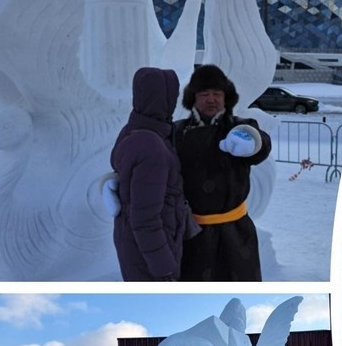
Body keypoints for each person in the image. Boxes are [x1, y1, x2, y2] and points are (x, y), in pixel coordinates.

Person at [173, 64, 272, 281]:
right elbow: (153, 162)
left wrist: (252, 141)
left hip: (235, 234)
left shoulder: (240, 128)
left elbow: (262, 144)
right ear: (193, 98)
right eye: (204, 94)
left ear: (226, 98)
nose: (211, 99)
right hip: (191, 234)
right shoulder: (176, 132)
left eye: (217, 94)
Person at [111, 67, 189, 281]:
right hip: (149, 252)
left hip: (135, 243)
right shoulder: (152, 146)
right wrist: (164, 268)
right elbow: (145, 217)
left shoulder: (133, 130)